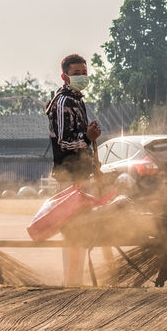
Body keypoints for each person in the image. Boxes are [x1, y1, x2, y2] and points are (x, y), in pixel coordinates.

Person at [45, 53, 101, 286]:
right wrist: (86, 138)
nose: (82, 77)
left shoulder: (79, 101)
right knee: (72, 229)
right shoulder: (62, 102)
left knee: (81, 228)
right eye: (77, 74)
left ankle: (76, 278)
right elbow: (62, 141)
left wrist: (91, 153)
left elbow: (83, 141)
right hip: (68, 176)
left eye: (84, 73)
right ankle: (71, 280)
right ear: (65, 76)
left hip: (82, 173)